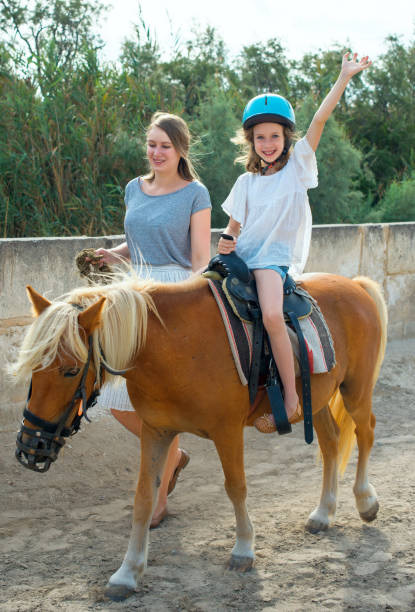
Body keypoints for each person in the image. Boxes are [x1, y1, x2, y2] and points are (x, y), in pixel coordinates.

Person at [218, 52, 372, 433]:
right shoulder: (245, 183)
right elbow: (234, 226)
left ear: (286, 138)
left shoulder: (298, 168)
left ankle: (290, 399)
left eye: (274, 136)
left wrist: (343, 78)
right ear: (250, 141)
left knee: (271, 315)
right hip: (241, 257)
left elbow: (319, 119)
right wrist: (227, 239)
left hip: (270, 260)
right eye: (260, 137)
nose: (267, 143)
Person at [93, 111, 212, 525]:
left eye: (166, 145)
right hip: (130, 296)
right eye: (152, 144)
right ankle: (174, 458)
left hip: (171, 299)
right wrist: (115, 254)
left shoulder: (196, 193)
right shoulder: (133, 188)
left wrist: (189, 301)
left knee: (165, 404)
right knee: (112, 399)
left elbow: (200, 259)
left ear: (181, 150)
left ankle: (158, 500)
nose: (157, 152)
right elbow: (138, 238)